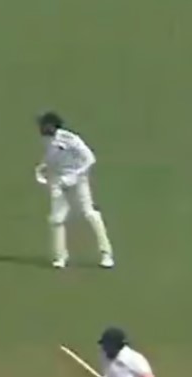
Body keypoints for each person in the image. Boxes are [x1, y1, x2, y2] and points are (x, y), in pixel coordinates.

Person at [34, 112, 114, 269]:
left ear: (52, 126)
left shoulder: (70, 139)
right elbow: (52, 156)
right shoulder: (46, 139)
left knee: (89, 213)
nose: (40, 128)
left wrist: (74, 176)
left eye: (43, 125)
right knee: (56, 219)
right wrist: (43, 167)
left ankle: (106, 254)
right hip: (58, 180)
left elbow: (90, 159)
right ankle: (60, 257)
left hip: (78, 180)